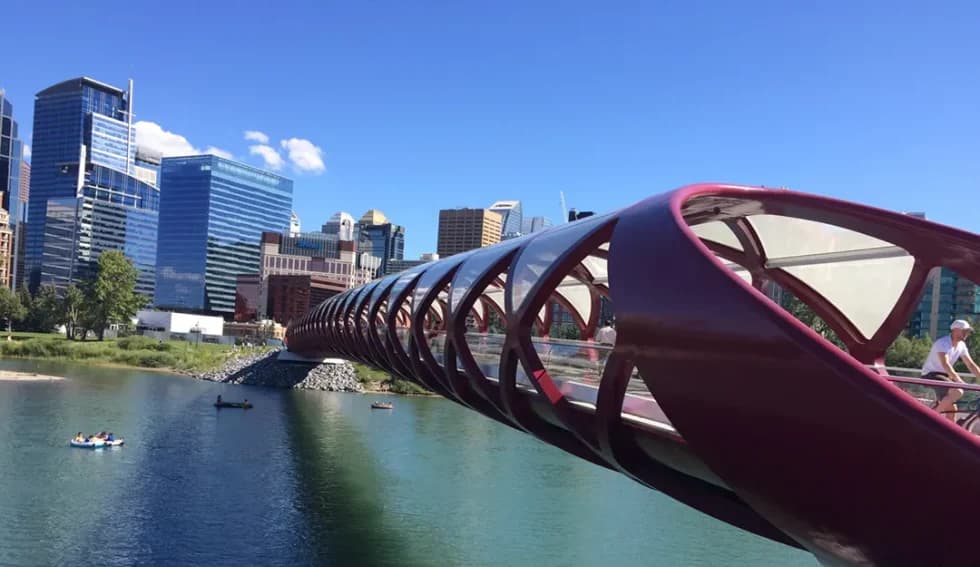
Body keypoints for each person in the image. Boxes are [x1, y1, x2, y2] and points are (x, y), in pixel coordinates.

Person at [921, 320, 980, 423]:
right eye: (965, 331)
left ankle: (948, 434)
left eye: (968, 331)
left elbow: (970, 364)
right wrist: (958, 380)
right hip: (931, 375)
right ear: (955, 330)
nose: (967, 334)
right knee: (958, 391)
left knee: (952, 411)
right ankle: (930, 418)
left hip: (944, 376)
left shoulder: (961, 345)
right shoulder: (942, 343)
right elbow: (946, 364)